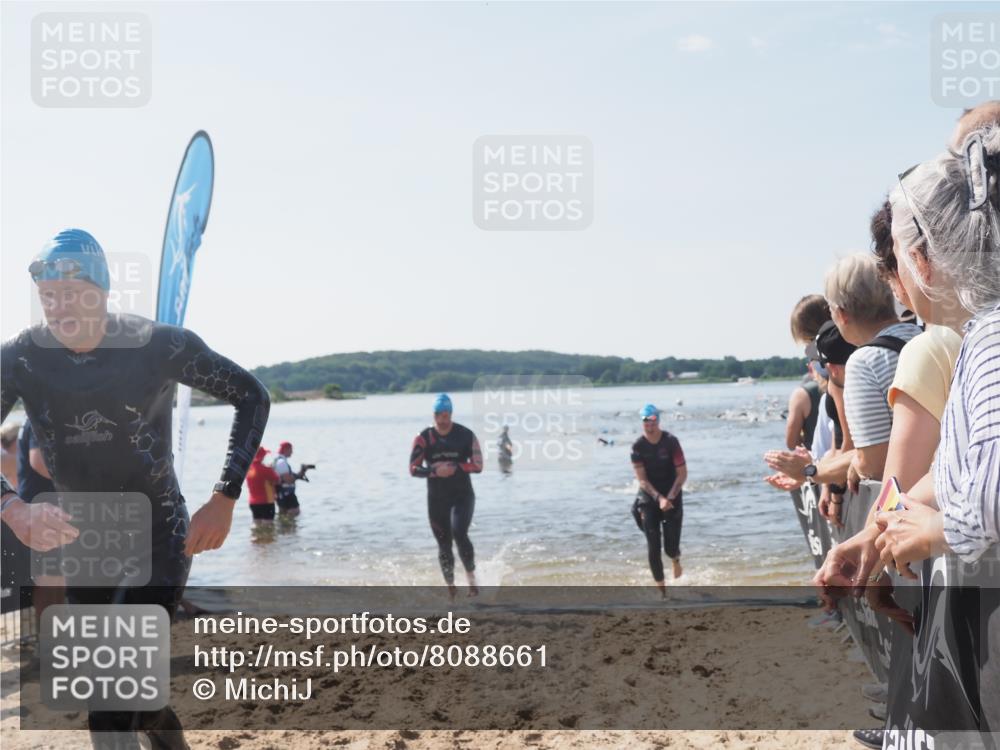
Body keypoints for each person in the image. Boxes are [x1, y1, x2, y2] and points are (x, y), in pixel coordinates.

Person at [0, 229, 270, 750]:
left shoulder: (156, 344)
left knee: (110, 692)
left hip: (157, 535)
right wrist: (12, 507)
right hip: (86, 543)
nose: (60, 307)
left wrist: (225, 497)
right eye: (49, 296)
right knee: (136, 697)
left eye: (74, 292)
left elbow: (251, 396)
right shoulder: (23, 357)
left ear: (102, 292)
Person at [409, 393, 483, 598]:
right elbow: (413, 469)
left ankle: (472, 582)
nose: (441, 419)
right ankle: (451, 588)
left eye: (444, 414)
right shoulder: (423, 438)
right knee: (443, 543)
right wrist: (434, 471)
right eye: (437, 414)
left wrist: (456, 467)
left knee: (459, 532)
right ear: (433, 415)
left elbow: (478, 465)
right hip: (437, 499)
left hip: (462, 495)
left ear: (450, 413)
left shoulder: (466, 435)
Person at [630, 404, 687, 596]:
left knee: (670, 548)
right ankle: (663, 593)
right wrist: (659, 499)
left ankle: (675, 559)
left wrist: (669, 498)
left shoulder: (671, 442)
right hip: (649, 496)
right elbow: (642, 480)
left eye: (653, 420)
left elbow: (682, 474)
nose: (649, 425)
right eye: (646, 421)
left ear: (658, 420)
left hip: (672, 493)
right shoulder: (637, 446)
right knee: (653, 544)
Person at [245, 447, 280, 523]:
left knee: (257, 524)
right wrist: (272, 469)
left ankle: (258, 535)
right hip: (266, 502)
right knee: (268, 527)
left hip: (253, 502)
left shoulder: (248, 469)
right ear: (262, 456)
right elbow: (277, 480)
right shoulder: (266, 469)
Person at [272, 441, 302, 516]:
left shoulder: (277, 460)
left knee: (283, 514)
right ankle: (287, 526)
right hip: (286, 494)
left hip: (281, 493)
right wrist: (298, 476)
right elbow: (288, 480)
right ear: (286, 449)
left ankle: (283, 526)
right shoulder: (281, 462)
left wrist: (300, 473)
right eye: (291, 449)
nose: (292, 452)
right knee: (295, 512)